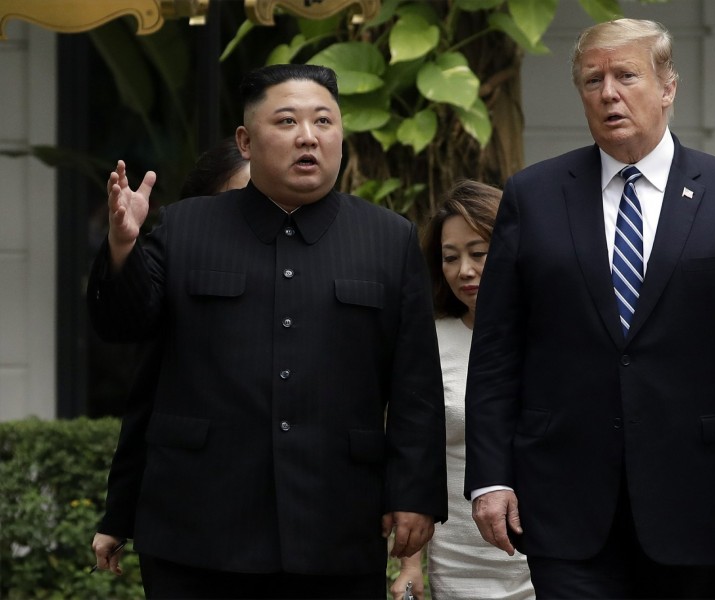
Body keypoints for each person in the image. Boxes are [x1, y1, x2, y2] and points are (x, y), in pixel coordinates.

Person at [463, 18, 715, 599]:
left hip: (694, 495)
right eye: (592, 80)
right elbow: (498, 349)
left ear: (668, 86)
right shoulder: (534, 195)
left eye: (626, 75)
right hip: (564, 496)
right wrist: (490, 477)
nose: (608, 93)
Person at [87, 63, 447, 599]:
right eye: (287, 121)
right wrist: (122, 246)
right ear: (246, 140)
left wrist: (414, 493)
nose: (308, 136)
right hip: (199, 522)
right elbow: (122, 325)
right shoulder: (186, 226)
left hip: (336, 519)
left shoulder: (388, 239)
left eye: (324, 121)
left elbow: (415, 383)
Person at [91, 136, 250, 578]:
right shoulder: (176, 271)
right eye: (241, 198)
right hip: (193, 520)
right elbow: (145, 405)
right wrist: (117, 518)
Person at [390, 181, 534, 600]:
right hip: (459, 560)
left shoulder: (555, 338)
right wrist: (411, 565)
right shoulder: (429, 341)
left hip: (550, 555)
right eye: (450, 258)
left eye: (479, 252)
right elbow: (415, 456)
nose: (464, 271)